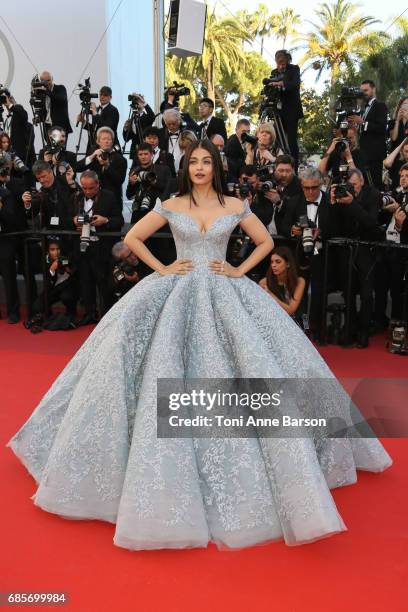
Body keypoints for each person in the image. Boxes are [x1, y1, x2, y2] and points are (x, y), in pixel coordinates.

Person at [7, 139, 392, 552]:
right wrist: (164, 267)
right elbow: (133, 239)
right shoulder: (170, 204)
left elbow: (265, 243)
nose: (201, 167)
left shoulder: (235, 205)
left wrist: (238, 269)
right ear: (186, 166)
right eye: (195, 162)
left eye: (208, 161)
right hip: (177, 289)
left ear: (216, 167)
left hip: (226, 291)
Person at [348, 80, 388, 189]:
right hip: (363, 154)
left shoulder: (380, 106)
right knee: (363, 184)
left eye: (366, 90)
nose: (363, 93)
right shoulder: (363, 109)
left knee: (375, 184)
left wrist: (363, 123)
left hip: (375, 154)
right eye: (362, 91)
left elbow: (382, 127)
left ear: (373, 89)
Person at [268, 50, 303, 166]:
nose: (281, 66)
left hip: (292, 110)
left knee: (291, 140)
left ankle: (294, 166)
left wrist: (280, 83)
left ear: (288, 60)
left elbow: (295, 84)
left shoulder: (294, 69)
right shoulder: (274, 72)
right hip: (278, 110)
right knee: (276, 138)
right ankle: (276, 164)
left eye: (283, 63)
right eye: (278, 63)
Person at [259, 246, 306, 327]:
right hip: (277, 322)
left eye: (278, 262)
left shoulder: (300, 281)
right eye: (272, 262)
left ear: (288, 264)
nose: (273, 265)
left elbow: (291, 310)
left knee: (306, 324)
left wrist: (269, 294)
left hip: (301, 320)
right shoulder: (264, 282)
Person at [38, 71, 72, 138]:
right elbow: (45, 109)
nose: (46, 83)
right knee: (48, 148)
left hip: (60, 127)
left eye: (48, 80)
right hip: (47, 126)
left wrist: (47, 91)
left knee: (59, 148)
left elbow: (61, 99)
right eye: (44, 81)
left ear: (52, 79)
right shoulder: (42, 93)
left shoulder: (60, 88)